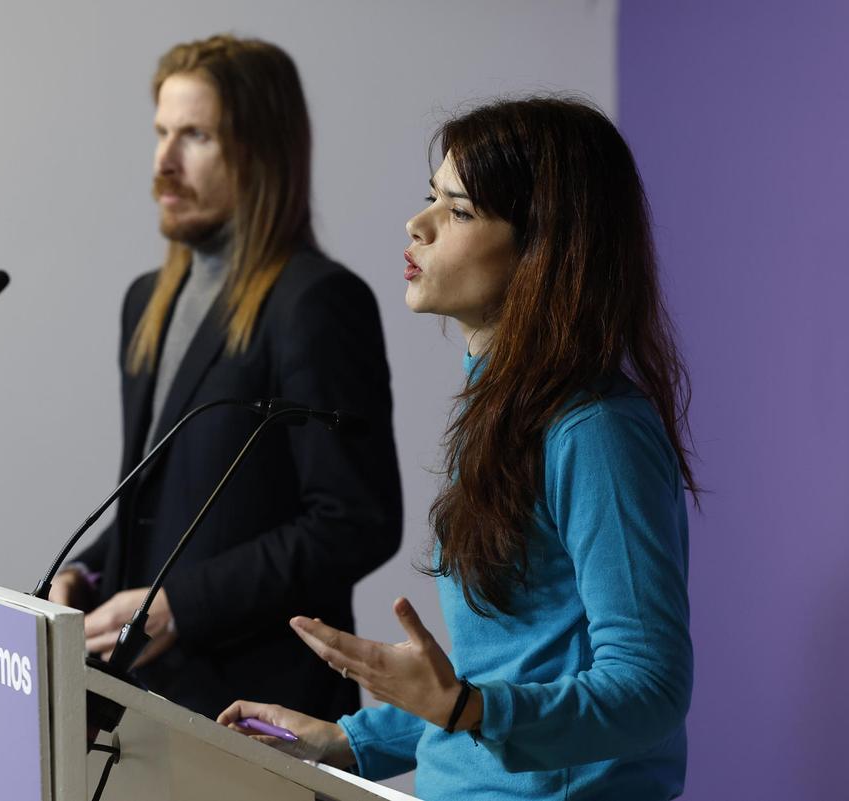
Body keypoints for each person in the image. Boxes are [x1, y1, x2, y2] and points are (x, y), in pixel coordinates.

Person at [220, 97, 697, 801]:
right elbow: (497, 687)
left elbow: (650, 688)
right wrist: (346, 740)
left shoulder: (594, 430)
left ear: (544, 248)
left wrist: (464, 707)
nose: (419, 224)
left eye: (460, 211)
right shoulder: (499, 413)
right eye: (429, 199)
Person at [46, 34, 403, 722]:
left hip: (262, 715)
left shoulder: (317, 302)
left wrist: (184, 604)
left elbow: (354, 519)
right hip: (144, 708)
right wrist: (84, 574)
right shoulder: (146, 301)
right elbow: (170, 506)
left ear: (260, 150)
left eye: (196, 136)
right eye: (161, 133)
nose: (164, 161)